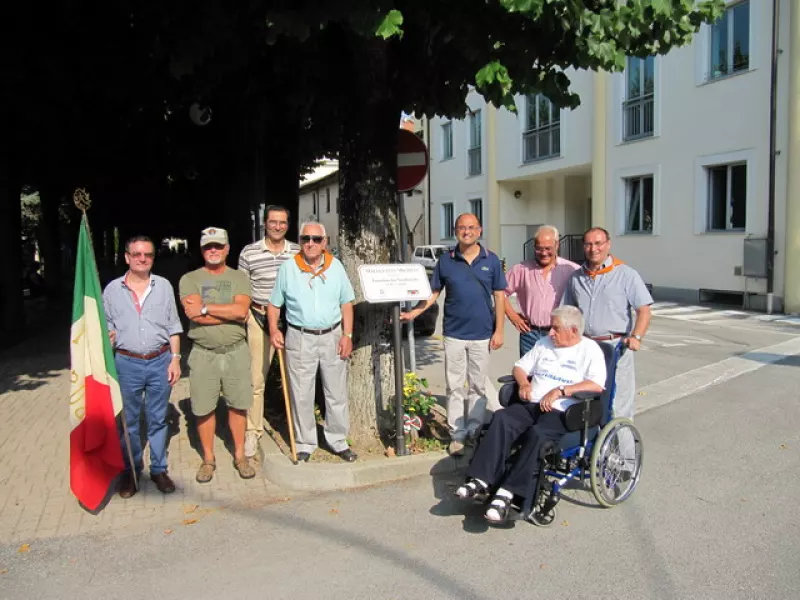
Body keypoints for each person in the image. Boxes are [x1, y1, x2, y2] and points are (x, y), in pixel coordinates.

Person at [454, 306, 606, 524]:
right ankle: (481, 479)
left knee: (538, 435)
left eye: (555, 328)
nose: (550, 333)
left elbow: (596, 385)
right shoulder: (544, 344)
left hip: (563, 411)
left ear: (573, 330)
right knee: (501, 419)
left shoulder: (590, 350)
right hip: (531, 405)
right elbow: (519, 367)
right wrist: (524, 382)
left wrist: (561, 391)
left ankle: (508, 493)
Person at [401, 213, 506, 456]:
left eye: (471, 228)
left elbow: (500, 296)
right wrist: (415, 312)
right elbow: (434, 292)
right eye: (461, 228)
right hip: (454, 334)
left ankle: (475, 430)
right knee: (455, 386)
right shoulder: (446, 261)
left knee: (478, 386)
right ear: (455, 231)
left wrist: (499, 330)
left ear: (479, 231)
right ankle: (457, 435)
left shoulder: (491, 260)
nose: (466, 232)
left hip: (482, 335)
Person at [268, 221, 357, 463]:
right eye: (306, 238)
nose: (310, 243)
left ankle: (337, 441)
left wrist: (347, 336)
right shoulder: (288, 268)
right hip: (299, 337)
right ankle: (305, 442)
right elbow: (274, 304)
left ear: (324, 242)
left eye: (316, 239)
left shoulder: (336, 267)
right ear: (300, 241)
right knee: (301, 393)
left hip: (332, 336)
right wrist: (274, 329)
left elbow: (346, 303)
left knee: (336, 392)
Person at [103, 236, 183, 498]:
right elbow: (105, 325)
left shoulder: (164, 287)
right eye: (136, 254)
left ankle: (158, 470)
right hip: (126, 363)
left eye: (147, 255)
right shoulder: (112, 290)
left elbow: (173, 325)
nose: (142, 259)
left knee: (158, 419)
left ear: (152, 258)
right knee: (128, 423)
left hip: (160, 360)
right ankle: (131, 471)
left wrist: (175, 359)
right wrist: (108, 335)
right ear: (127, 257)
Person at [179, 227, 256, 482]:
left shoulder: (239, 278)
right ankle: (208, 459)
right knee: (203, 408)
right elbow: (192, 315)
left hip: (236, 352)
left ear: (227, 249)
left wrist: (205, 308)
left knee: (238, 405)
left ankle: (240, 456)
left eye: (218, 246)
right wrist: (227, 313)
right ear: (202, 250)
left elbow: (241, 311)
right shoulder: (189, 279)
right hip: (203, 354)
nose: (214, 250)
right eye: (208, 246)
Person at [561, 227, 652, 421]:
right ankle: (595, 447)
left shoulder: (626, 274)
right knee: (587, 402)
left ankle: (623, 450)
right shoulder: (576, 278)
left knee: (618, 405)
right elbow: (568, 313)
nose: (593, 249)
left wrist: (636, 337)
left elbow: (644, 310)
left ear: (608, 245)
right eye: (588, 244)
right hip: (586, 347)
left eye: (598, 243)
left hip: (616, 346)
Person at [238, 205, 300, 458]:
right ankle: (252, 431)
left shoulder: (297, 251)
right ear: (265, 223)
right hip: (259, 317)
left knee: (297, 378)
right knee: (256, 380)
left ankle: (299, 431)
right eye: (273, 222)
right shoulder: (249, 252)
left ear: (288, 224)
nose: (278, 226)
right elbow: (242, 289)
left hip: (292, 320)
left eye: (282, 222)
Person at [504, 225, 579, 357]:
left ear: (557, 245)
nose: (544, 253)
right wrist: (513, 316)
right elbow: (500, 293)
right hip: (530, 335)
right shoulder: (521, 269)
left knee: (558, 375)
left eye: (548, 248)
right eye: (539, 248)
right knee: (527, 376)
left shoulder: (571, 270)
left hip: (560, 334)